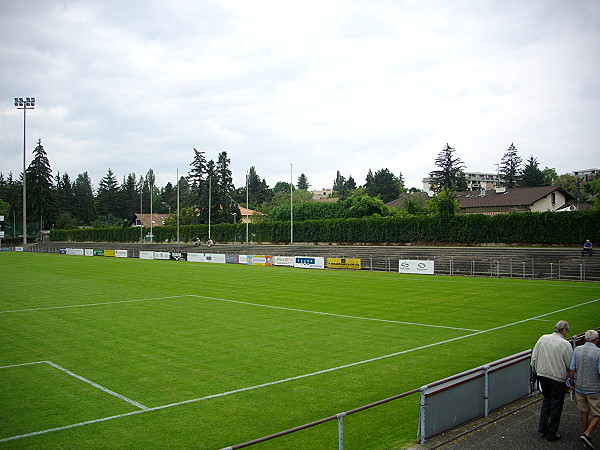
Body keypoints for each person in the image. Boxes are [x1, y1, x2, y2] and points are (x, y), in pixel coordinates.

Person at [531, 320, 574, 442]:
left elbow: (534, 356)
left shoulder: (543, 338)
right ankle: (551, 432)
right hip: (557, 378)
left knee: (547, 400)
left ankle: (543, 427)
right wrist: (571, 381)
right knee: (556, 404)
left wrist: (535, 370)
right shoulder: (564, 344)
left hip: (542, 374)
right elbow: (570, 364)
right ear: (564, 330)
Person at [569, 330, 600, 450]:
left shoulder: (577, 350)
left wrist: (572, 383)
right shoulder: (598, 352)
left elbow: (572, 369)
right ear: (596, 340)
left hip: (580, 386)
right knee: (597, 413)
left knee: (584, 411)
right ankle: (587, 433)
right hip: (594, 388)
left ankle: (586, 434)